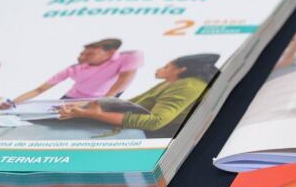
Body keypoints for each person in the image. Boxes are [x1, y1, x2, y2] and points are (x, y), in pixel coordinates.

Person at [58, 54, 219, 139]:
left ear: (181, 69)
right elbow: (132, 103)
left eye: (166, 66)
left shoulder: (187, 87)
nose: (159, 69)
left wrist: (96, 114)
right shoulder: (173, 82)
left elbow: (155, 122)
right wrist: (85, 106)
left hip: (156, 136)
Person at [12, 39, 141, 104]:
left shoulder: (127, 58)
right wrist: (13, 103)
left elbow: (124, 79)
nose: (82, 57)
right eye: (82, 54)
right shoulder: (73, 69)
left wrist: (104, 101)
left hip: (100, 101)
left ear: (110, 53)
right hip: (71, 99)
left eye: (90, 54)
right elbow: (39, 90)